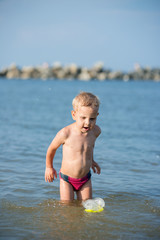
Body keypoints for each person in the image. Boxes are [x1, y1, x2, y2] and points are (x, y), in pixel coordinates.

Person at [45, 92, 101, 201]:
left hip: (85, 178)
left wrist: (92, 160)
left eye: (92, 119)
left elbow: (90, 146)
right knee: (67, 208)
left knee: (86, 205)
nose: (87, 123)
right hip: (67, 180)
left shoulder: (96, 131)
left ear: (97, 116)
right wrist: (49, 167)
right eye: (83, 118)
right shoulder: (66, 133)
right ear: (74, 115)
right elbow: (51, 149)